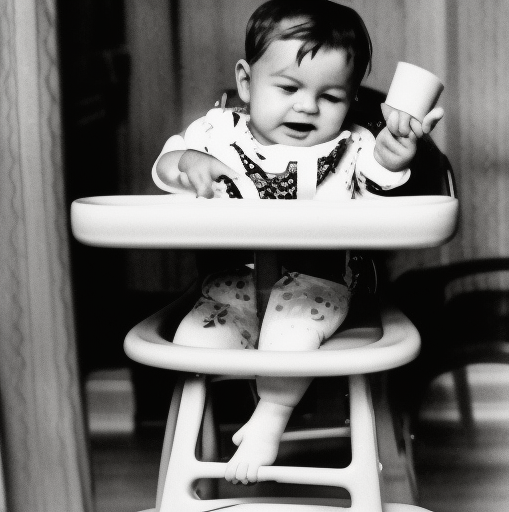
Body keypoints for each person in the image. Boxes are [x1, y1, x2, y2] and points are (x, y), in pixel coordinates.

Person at [152, 0, 443, 486]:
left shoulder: (351, 148)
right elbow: (164, 168)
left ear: (351, 101)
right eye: (287, 87)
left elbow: (378, 186)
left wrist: (391, 159)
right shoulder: (217, 135)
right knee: (194, 342)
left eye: (331, 96)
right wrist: (185, 163)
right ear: (247, 82)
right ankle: (194, 460)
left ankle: (272, 414)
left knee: (292, 326)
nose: (307, 106)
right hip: (235, 283)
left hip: (321, 284)